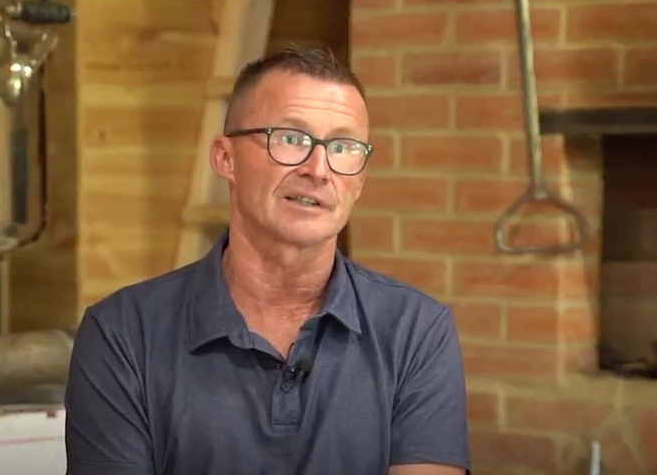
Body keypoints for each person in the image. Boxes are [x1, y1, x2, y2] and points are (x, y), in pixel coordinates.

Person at [64, 46, 471, 475]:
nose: (318, 169)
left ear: (361, 180)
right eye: (291, 139)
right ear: (225, 158)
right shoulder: (123, 334)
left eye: (343, 146)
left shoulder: (416, 331)